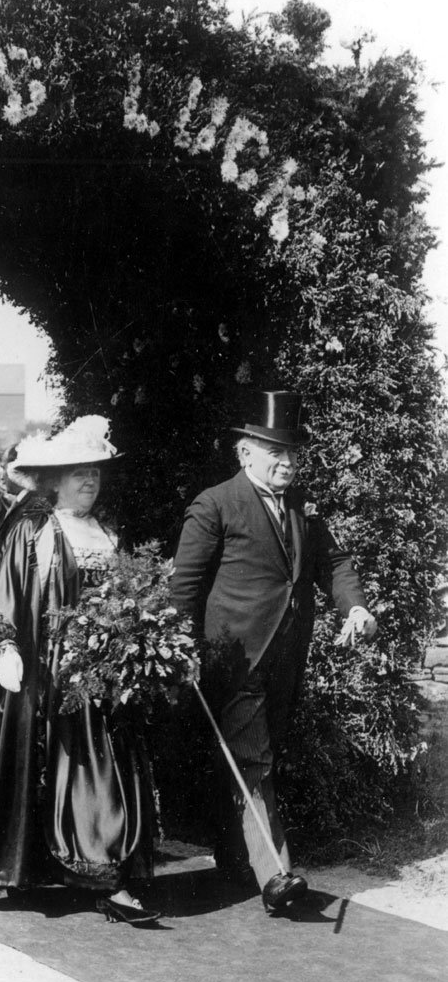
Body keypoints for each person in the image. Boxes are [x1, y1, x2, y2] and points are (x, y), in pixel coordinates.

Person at [170, 391, 377, 913]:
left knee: (255, 756)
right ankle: (275, 874)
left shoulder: (303, 505)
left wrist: (354, 608)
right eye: (275, 452)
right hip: (232, 656)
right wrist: (180, 648)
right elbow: (184, 588)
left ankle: (233, 857)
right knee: (255, 761)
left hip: (286, 656)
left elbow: (335, 563)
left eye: (293, 454)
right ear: (246, 454)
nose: (288, 463)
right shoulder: (214, 504)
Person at [0, 416, 159, 925]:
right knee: (67, 765)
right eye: (79, 474)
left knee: (104, 764)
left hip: (106, 671)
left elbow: (131, 595)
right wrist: (6, 647)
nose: (90, 483)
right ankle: (86, 875)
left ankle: (107, 873)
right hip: (53, 669)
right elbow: (7, 592)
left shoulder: (107, 532)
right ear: (55, 479)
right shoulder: (35, 528)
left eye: (96, 474)